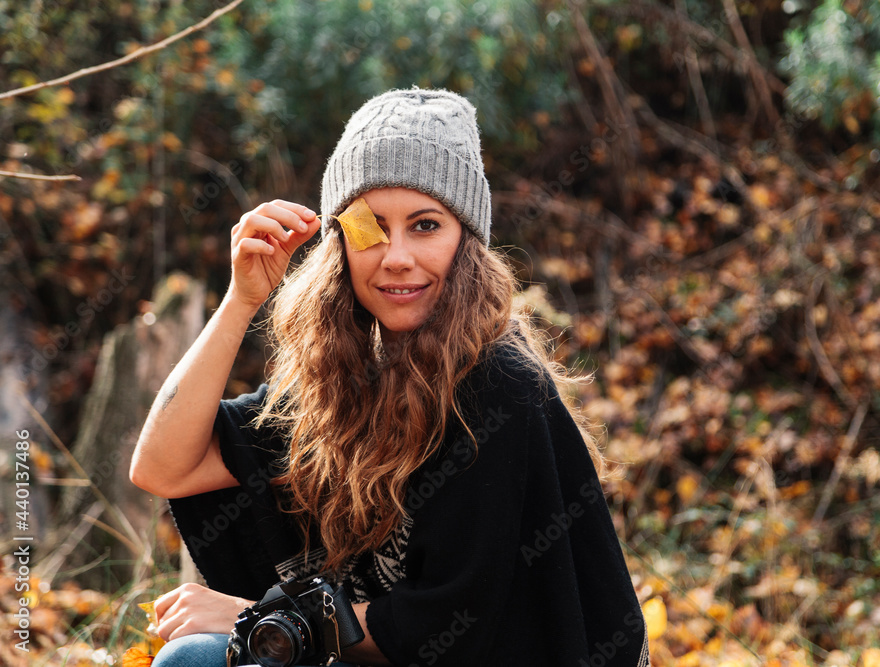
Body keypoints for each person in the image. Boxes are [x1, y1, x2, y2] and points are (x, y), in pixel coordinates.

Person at [130, 88, 650, 667]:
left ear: (467, 241)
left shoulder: (499, 383)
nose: (396, 256)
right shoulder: (342, 381)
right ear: (339, 243)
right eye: (370, 228)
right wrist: (241, 300)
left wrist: (252, 615)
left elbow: (446, 623)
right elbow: (161, 466)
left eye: (425, 225)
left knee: (198, 658)